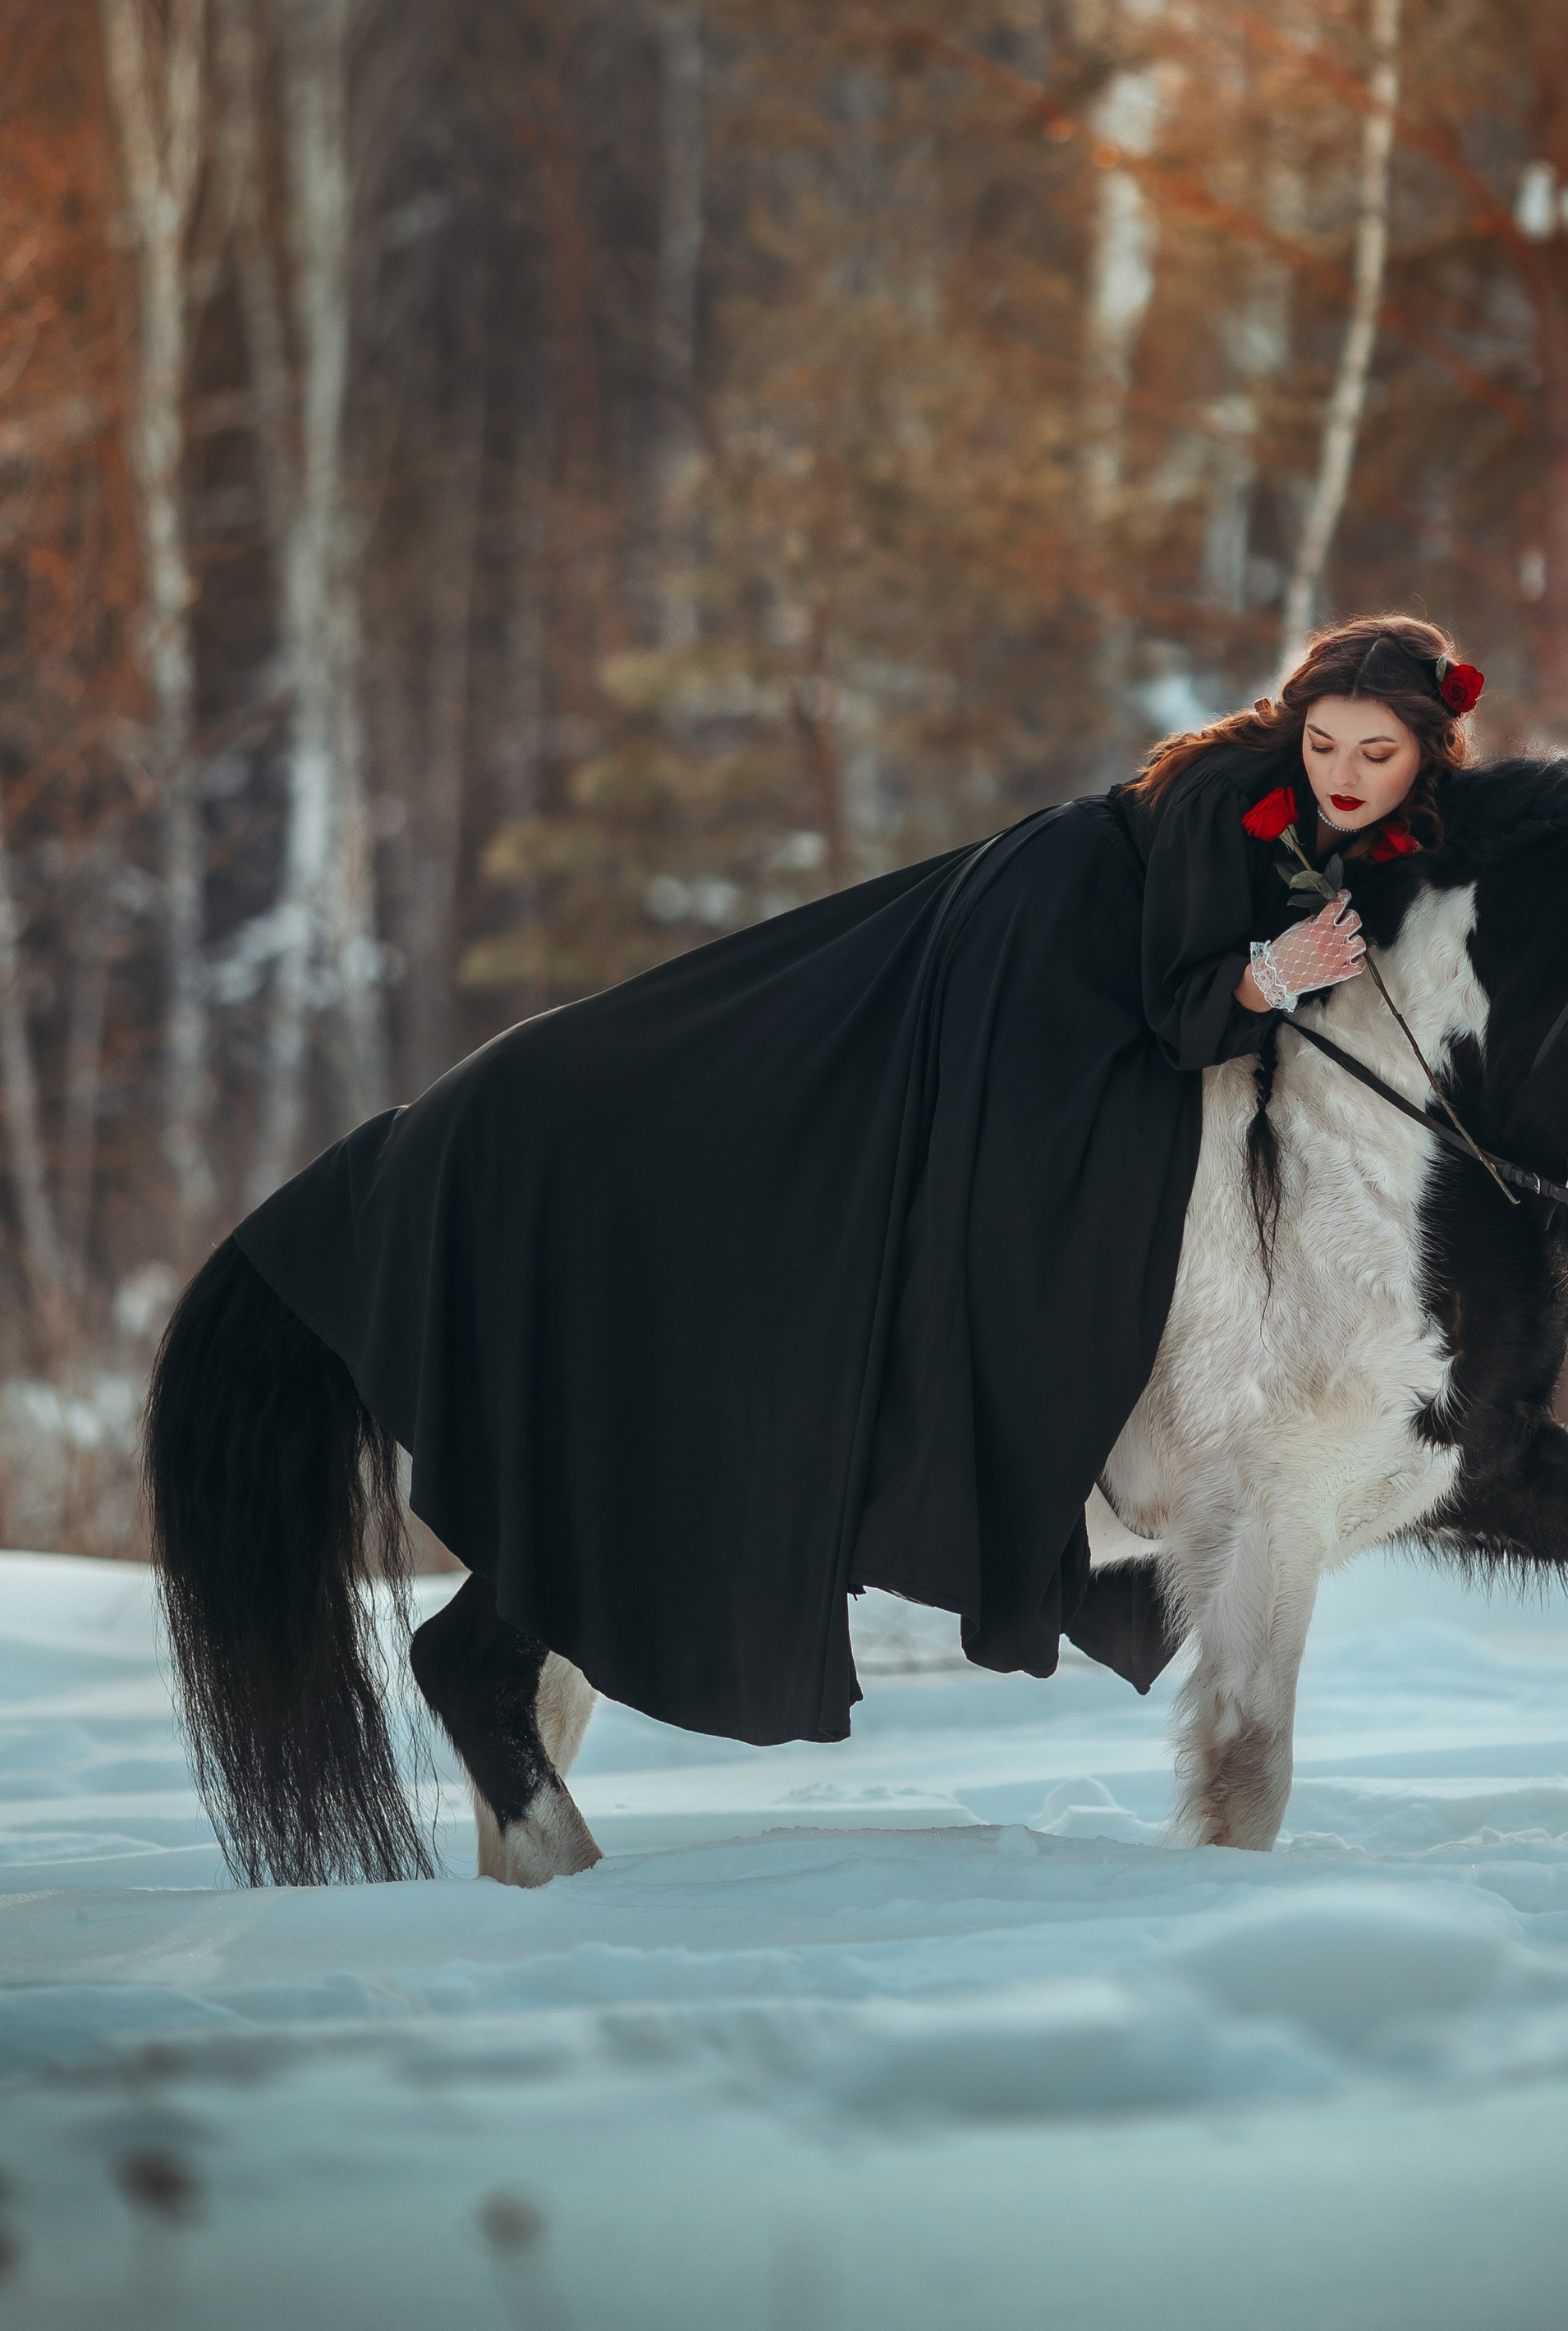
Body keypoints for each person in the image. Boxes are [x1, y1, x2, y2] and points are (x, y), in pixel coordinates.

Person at [227, 611, 1483, 1746]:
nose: (1344, 778)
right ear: (1294, 727)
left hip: (1081, 942)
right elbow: (1184, 1012)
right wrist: (1277, 970)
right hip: (1055, 955)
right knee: (1030, 1176)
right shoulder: (1235, 799)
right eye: (1326, 746)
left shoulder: (1376, 813)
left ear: (1430, 749)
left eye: (1378, 756)